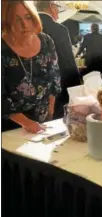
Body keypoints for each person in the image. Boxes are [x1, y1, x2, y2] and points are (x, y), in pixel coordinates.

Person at [2, 0, 61, 133]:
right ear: (6, 22)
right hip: (10, 127)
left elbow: (55, 79)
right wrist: (26, 123)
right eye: (17, 20)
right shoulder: (2, 49)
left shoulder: (46, 40)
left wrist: (50, 111)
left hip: (43, 122)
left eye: (28, 17)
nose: (25, 24)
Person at [34, 0, 81, 119]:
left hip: (30, 89)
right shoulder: (59, 29)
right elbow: (67, 60)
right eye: (58, 8)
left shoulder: (27, 27)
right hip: (57, 87)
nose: (59, 14)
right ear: (51, 6)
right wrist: (77, 86)